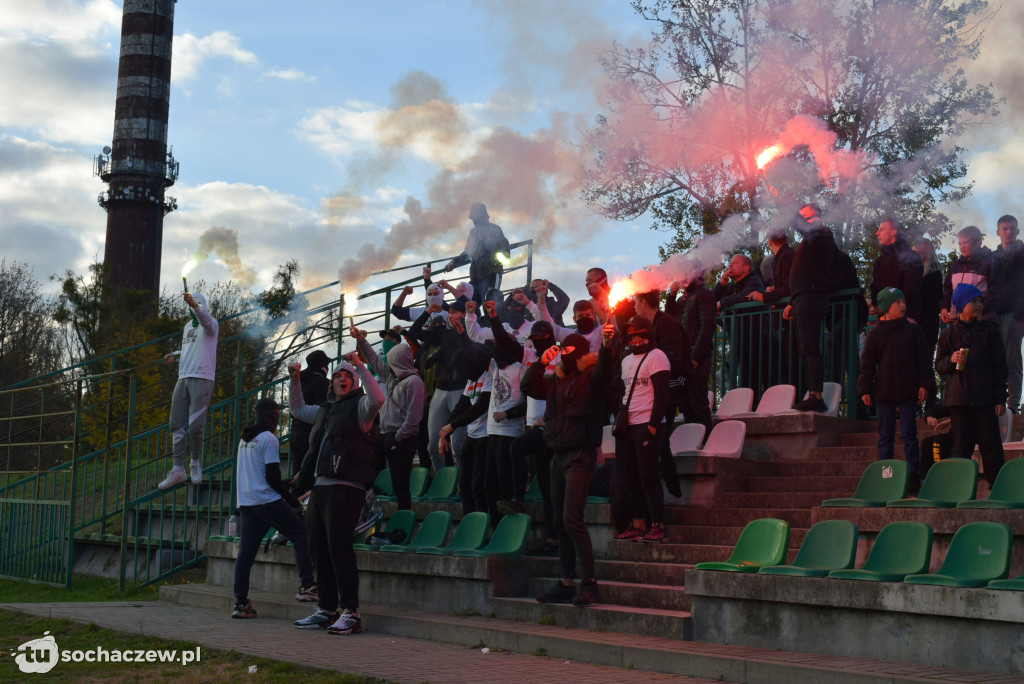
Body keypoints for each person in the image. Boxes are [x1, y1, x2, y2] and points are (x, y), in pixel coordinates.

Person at [289, 353, 385, 635]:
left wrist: (360, 365)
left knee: (340, 550)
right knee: (318, 550)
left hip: (346, 487)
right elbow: (296, 409)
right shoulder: (324, 410)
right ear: (330, 382)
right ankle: (326, 610)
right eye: (337, 375)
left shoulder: (361, 406)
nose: (342, 379)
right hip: (319, 488)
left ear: (355, 383)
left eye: (348, 376)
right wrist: (295, 380)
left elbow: (378, 398)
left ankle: (351, 612)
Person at [523, 327, 615, 607]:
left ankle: (589, 583)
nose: (564, 356)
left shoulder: (592, 376)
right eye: (562, 352)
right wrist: (541, 362)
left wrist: (609, 347)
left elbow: (604, 373)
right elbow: (528, 386)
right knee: (561, 524)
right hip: (557, 456)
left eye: (568, 351)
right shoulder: (555, 381)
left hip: (580, 456)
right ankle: (566, 582)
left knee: (572, 519)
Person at [231, 398, 316, 619]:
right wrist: (292, 500)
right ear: (272, 415)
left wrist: (283, 483)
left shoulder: (245, 438)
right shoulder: (269, 439)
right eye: (277, 413)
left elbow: (262, 474)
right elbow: (271, 477)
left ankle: (241, 604)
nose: (278, 418)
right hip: (266, 500)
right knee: (300, 533)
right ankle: (307, 586)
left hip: (248, 502)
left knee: (246, 554)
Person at [857, 288, 932, 491]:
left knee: (909, 434)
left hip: (908, 390)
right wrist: (865, 389)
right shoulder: (877, 333)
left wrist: (925, 384)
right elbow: (868, 364)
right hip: (885, 391)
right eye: (897, 302)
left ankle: (914, 476)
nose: (902, 305)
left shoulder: (913, 330)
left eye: (903, 300)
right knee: (885, 437)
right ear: (886, 306)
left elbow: (924, 359)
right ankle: (886, 477)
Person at [936, 283, 1007, 486]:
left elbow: (1000, 367)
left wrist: (1000, 398)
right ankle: (963, 490)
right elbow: (939, 366)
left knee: (991, 448)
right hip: (958, 401)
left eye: (980, 301)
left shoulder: (990, 331)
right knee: (962, 450)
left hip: (985, 399)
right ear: (960, 304)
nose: (978, 305)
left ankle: (999, 489)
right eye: (973, 301)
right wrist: (951, 360)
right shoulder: (948, 334)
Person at [612, 316, 671, 544]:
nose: (634, 336)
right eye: (630, 332)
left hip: (647, 423)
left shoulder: (657, 357)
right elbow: (622, 390)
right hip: (628, 426)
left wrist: (654, 426)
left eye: (638, 332)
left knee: (648, 477)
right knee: (629, 477)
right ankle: (638, 525)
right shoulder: (627, 360)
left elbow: (663, 395)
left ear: (647, 332)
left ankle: (658, 525)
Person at [353, 327, 425, 511]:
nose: (387, 362)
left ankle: (403, 519)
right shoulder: (393, 377)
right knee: (376, 474)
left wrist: (397, 439)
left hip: (402, 439)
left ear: (398, 359)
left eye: (391, 358)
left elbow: (413, 418)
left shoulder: (414, 382)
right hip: (387, 435)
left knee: (401, 484)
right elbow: (373, 360)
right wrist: (361, 340)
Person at [632, 289, 691, 499]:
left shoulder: (666, 323)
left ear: (644, 303)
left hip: (670, 389)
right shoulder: (651, 325)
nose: (634, 307)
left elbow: (673, 361)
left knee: (659, 439)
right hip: (654, 391)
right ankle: (672, 490)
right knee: (659, 441)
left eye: (636, 302)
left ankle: (673, 491)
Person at [159, 292, 219, 490]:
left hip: (202, 379)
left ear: (202, 306)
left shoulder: (211, 325)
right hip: (183, 377)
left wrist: (195, 305)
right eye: (192, 306)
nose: (193, 310)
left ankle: (194, 463)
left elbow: (205, 321)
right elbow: (189, 349)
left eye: (197, 306)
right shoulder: (187, 328)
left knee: (195, 427)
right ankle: (178, 470)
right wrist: (175, 356)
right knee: (176, 424)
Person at [783, 204, 835, 412]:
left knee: (810, 347)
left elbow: (801, 226)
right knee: (804, 348)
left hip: (811, 297)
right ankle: (811, 393)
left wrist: (784, 202)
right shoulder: (810, 240)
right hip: (801, 299)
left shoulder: (822, 233)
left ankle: (817, 395)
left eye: (803, 216)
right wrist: (791, 301)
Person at [666, 275, 716, 436]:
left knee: (698, 401)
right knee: (685, 403)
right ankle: (692, 440)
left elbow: (707, 326)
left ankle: (706, 441)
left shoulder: (704, 294)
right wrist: (671, 297)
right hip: (683, 357)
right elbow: (669, 319)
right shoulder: (681, 299)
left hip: (697, 357)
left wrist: (696, 357)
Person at [715, 253, 766, 395]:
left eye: (735, 263)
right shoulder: (731, 286)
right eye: (730, 263)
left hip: (756, 338)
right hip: (741, 340)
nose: (730, 266)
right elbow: (710, 300)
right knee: (745, 377)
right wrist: (722, 284)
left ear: (746, 268)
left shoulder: (754, 281)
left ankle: (752, 407)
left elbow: (745, 297)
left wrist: (722, 303)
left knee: (752, 377)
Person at [444, 203, 510, 304]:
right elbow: (468, 252)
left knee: (491, 301)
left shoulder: (495, 229)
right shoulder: (473, 233)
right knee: (470, 303)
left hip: (492, 273)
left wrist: (505, 254)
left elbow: (504, 244)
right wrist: (454, 263)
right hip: (476, 276)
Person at [994, 215, 1024, 413]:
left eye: (1012, 228)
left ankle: (1013, 405)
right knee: (996, 359)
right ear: (998, 232)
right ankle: (997, 402)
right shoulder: (992, 258)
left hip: (1017, 313)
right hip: (995, 313)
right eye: (1004, 228)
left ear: (1018, 231)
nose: (1008, 231)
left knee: (1013, 359)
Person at [941, 225, 999, 323]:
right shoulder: (956, 265)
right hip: (957, 322)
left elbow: (995, 293)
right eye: (960, 243)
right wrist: (944, 308)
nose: (962, 247)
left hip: (981, 322)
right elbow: (948, 289)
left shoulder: (990, 263)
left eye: (966, 242)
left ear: (978, 242)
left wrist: (976, 309)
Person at [870, 220, 923, 321]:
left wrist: (887, 305)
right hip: (885, 319)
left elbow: (911, 287)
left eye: (882, 229)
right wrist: (877, 305)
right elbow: (874, 287)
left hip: (906, 319)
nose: (877, 233)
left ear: (893, 232)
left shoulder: (910, 257)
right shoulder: (880, 260)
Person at [290, 350, 332, 477]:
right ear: (323, 366)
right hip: (310, 434)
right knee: (309, 477)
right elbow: (322, 410)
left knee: (297, 477)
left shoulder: (298, 380)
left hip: (295, 432)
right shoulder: (322, 382)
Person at [912, 237, 944, 357]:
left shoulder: (934, 273)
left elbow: (930, 298)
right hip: (914, 322)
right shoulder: (912, 272)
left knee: (924, 358)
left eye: (917, 252)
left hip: (927, 323)